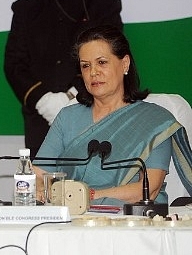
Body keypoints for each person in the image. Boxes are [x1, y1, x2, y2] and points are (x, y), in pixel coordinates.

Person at [33, 25, 192, 205]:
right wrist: (39, 188)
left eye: (102, 62)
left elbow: (149, 189)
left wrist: (88, 196)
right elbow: (39, 174)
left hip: (133, 221)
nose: (93, 72)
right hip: (71, 219)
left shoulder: (155, 121)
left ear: (124, 63)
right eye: (86, 66)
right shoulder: (67, 117)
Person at [4, 0, 123, 156]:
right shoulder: (25, 9)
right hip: (41, 116)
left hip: (93, 106)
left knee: (95, 183)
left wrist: (73, 96)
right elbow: (14, 63)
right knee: (44, 187)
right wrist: (44, 101)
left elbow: (111, 55)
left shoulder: (105, 5)